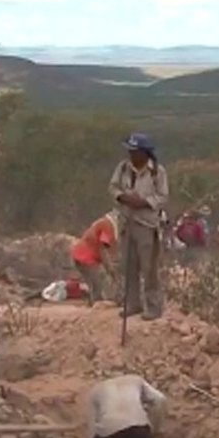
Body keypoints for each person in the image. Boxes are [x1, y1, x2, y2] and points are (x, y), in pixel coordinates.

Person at [109, 132, 169, 321]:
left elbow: (163, 197)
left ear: (145, 153)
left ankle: (153, 307)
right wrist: (123, 197)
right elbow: (113, 187)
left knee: (148, 267)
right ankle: (132, 304)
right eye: (130, 151)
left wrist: (143, 202)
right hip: (126, 222)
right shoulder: (123, 168)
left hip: (146, 224)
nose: (131, 155)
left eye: (135, 152)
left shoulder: (157, 171)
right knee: (129, 266)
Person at [71, 210, 119, 305]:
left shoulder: (102, 222)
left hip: (79, 255)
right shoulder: (107, 226)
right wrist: (109, 268)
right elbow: (103, 248)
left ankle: (94, 303)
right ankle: (97, 305)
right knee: (97, 282)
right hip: (86, 258)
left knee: (93, 284)